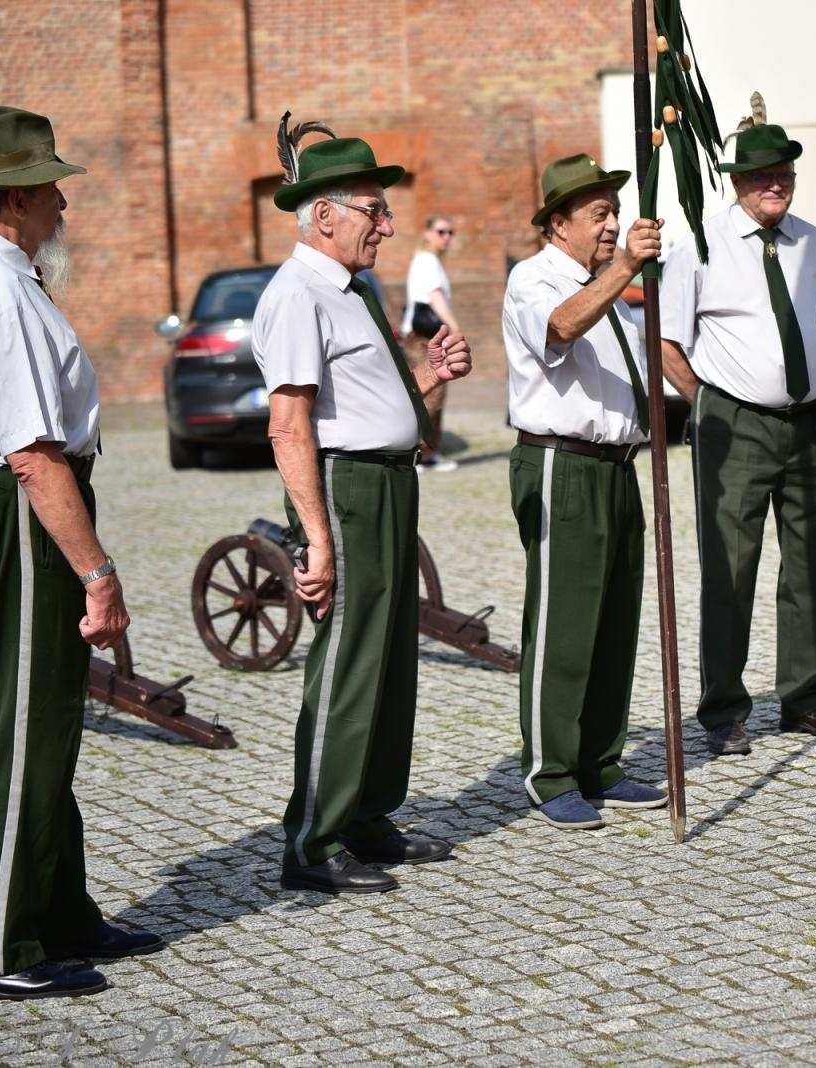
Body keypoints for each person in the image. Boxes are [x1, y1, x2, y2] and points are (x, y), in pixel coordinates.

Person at [0, 105, 163, 1001]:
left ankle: (57, 907)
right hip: (18, 513)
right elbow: (35, 455)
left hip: (12, 508)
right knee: (21, 723)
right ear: (11, 197)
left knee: (44, 719)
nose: (61, 201)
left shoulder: (3, 269)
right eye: (49, 185)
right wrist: (98, 571)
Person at [254, 120, 472, 893]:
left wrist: (435, 376)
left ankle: (368, 814)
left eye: (383, 212)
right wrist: (314, 537)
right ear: (324, 215)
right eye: (373, 211)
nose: (386, 225)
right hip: (345, 489)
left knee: (388, 660)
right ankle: (312, 841)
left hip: (388, 481)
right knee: (348, 662)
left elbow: (382, 404)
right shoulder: (296, 296)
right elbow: (290, 423)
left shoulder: (351, 289)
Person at [659, 123, 816, 757]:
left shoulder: (812, 243)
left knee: (814, 562)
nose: (775, 184)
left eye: (785, 174)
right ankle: (723, 709)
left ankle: (804, 700)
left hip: (811, 421)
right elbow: (666, 342)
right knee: (730, 565)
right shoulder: (701, 243)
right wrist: (711, 405)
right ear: (736, 181)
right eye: (760, 176)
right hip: (734, 424)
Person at [502, 154, 668, 829]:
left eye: (613, 213)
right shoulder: (534, 280)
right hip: (560, 463)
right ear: (556, 223)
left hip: (615, 466)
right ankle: (550, 770)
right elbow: (561, 328)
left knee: (613, 621)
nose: (612, 226)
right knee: (565, 623)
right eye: (598, 215)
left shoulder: (604, 285)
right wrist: (626, 267)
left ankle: (601, 759)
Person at [401, 214, 461, 472]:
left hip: (424, 336)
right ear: (427, 233)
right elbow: (434, 296)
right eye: (440, 231)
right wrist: (455, 329)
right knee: (430, 394)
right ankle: (418, 453)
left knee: (432, 393)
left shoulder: (427, 260)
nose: (445, 237)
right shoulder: (427, 259)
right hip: (425, 338)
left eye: (450, 232)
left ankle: (428, 453)